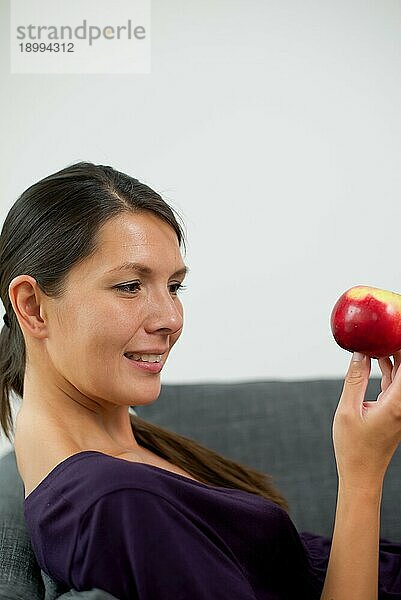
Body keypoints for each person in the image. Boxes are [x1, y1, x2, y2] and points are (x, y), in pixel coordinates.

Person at [0, 162, 401, 600]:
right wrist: (362, 474)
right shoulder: (114, 504)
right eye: (131, 286)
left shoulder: (125, 447)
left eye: (174, 287)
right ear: (33, 307)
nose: (170, 319)